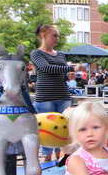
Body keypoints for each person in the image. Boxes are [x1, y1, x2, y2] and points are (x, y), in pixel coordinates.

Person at [31, 24, 75, 162]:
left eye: (58, 36)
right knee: (47, 129)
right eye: (54, 35)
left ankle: (62, 156)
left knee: (64, 128)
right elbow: (46, 68)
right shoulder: (36, 53)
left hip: (63, 95)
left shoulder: (61, 54)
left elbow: (61, 73)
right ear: (43, 35)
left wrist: (68, 75)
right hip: (45, 96)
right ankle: (47, 157)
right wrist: (69, 69)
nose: (57, 39)